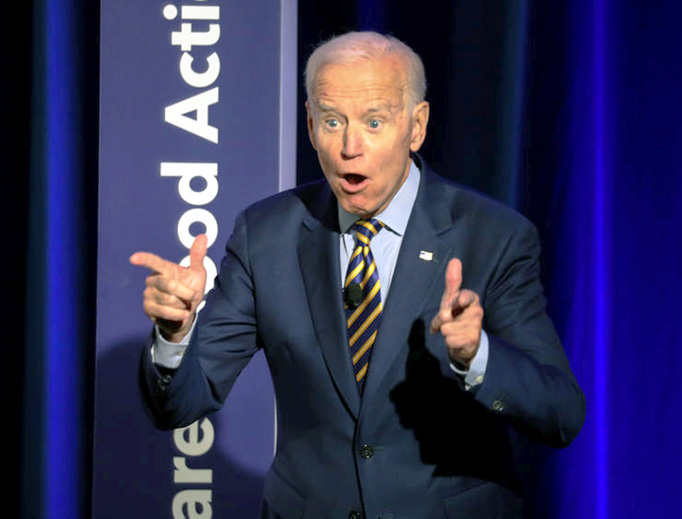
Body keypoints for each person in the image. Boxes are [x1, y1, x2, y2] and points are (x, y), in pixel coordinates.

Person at [130, 31, 584, 519]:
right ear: (310, 125)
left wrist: (477, 356)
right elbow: (176, 408)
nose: (350, 146)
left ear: (416, 126)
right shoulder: (266, 235)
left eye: (374, 122)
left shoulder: (493, 237)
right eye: (331, 121)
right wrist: (175, 337)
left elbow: (560, 415)